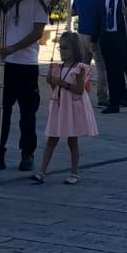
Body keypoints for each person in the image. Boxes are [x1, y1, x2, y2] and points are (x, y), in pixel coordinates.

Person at [0, 0, 49, 171]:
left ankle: (27, 153)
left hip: (26, 64)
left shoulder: (37, 0)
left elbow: (37, 32)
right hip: (5, 64)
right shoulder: (7, 0)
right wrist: (0, 6)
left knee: (27, 113)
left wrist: (13, 48)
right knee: (0, 110)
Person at [31, 32, 98, 185]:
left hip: (71, 108)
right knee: (52, 139)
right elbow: (56, 87)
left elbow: (79, 89)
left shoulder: (79, 68)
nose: (62, 51)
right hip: (60, 106)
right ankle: (42, 171)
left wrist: (60, 82)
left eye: (66, 48)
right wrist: (51, 81)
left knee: (72, 141)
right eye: (60, 48)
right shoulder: (58, 67)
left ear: (75, 49)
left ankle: (74, 172)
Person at [72, 0, 110, 105]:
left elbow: (73, 12)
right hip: (96, 35)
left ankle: (79, 92)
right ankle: (102, 96)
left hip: (82, 32)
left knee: (83, 65)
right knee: (101, 66)